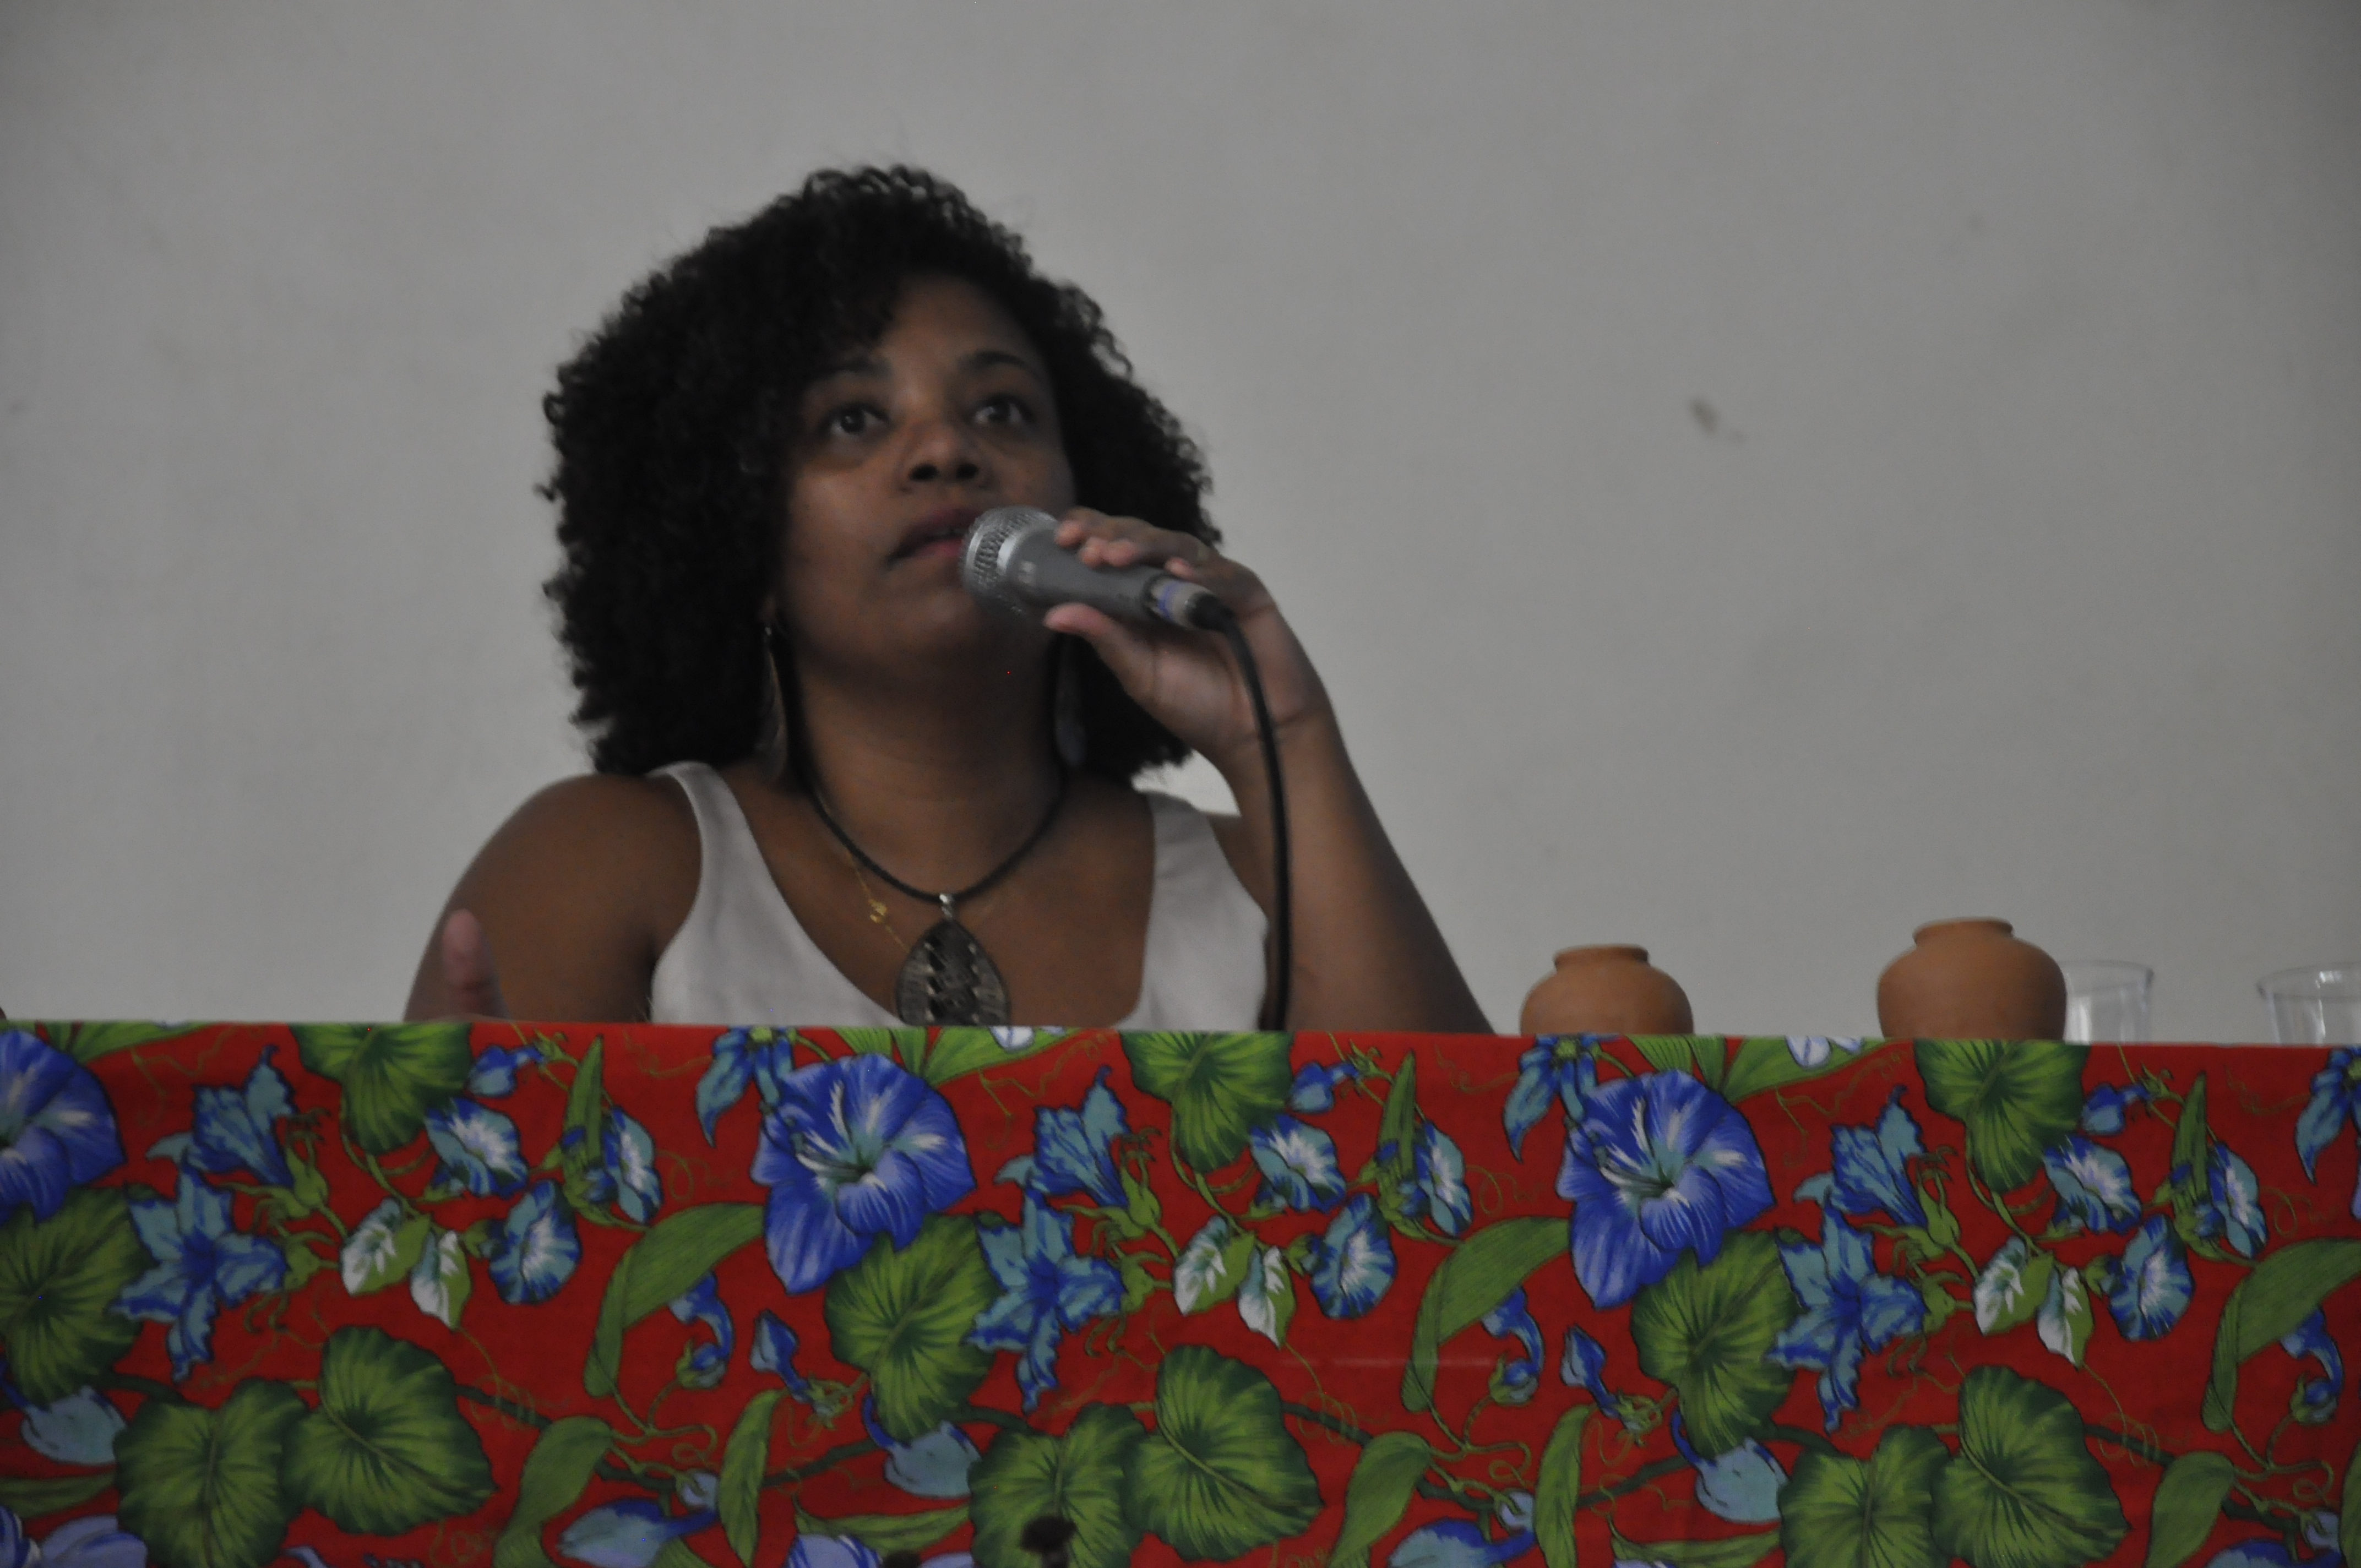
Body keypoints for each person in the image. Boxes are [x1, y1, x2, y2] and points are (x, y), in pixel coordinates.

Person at [404, 166, 1483, 1032]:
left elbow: (1460, 1197)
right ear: (742, 541)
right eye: (852, 421)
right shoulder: (611, 864)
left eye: (1002, 409)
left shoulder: (1255, 886)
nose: (946, 450)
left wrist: (1280, 737)